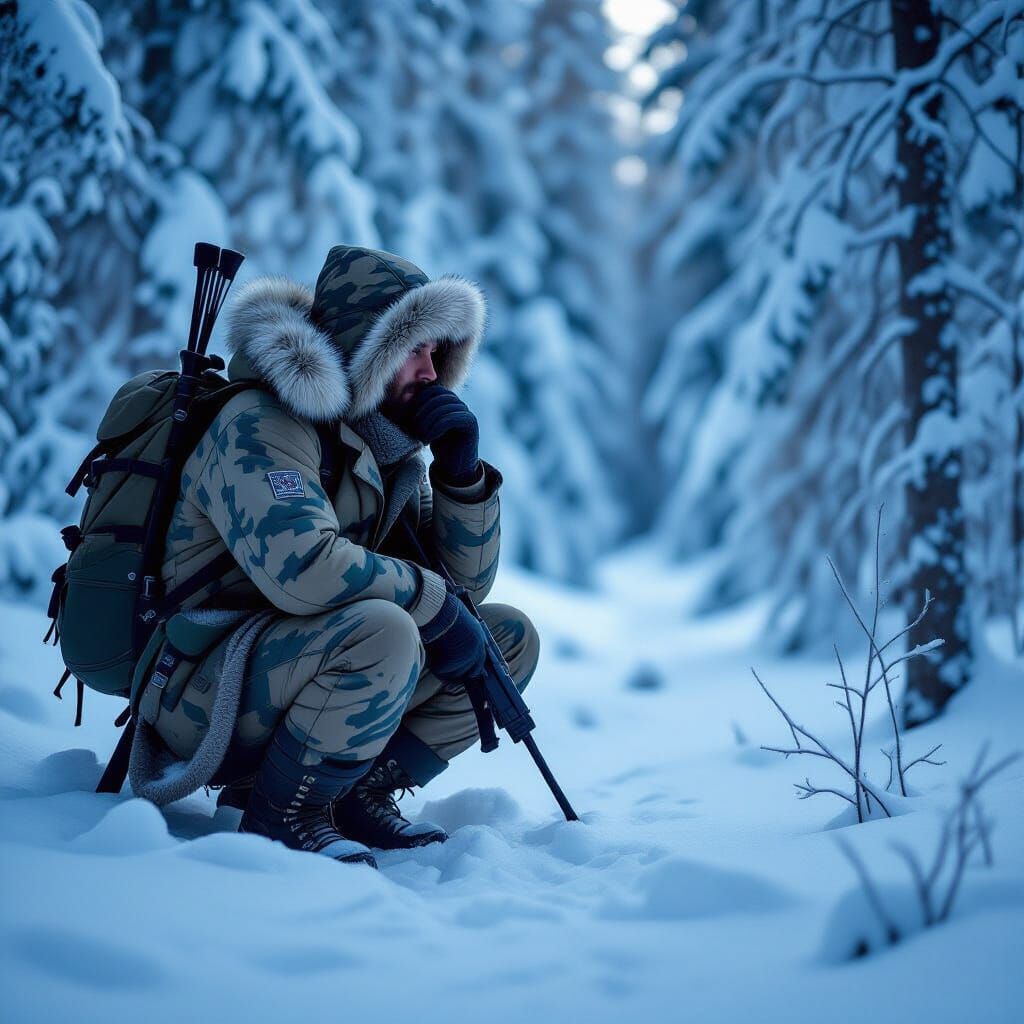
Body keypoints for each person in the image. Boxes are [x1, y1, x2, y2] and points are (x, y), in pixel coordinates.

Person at [126, 245, 540, 868]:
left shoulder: (382, 448)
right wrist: (430, 602)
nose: (431, 373)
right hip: (203, 684)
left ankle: (353, 794)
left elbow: (464, 591)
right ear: (363, 348)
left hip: (292, 667)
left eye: (437, 353)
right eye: (414, 350)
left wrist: (462, 477)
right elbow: (305, 569)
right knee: (387, 630)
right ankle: (283, 814)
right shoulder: (261, 422)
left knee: (504, 640)